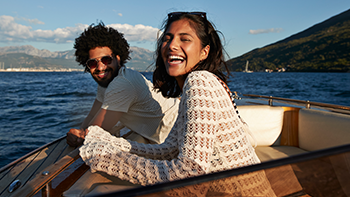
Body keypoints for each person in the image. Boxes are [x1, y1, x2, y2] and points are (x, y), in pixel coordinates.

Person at [79, 12, 275, 196]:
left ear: (204, 52)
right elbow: (169, 150)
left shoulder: (199, 82)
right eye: (167, 38)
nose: (172, 45)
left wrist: (106, 158)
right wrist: (109, 143)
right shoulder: (194, 85)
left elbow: (190, 176)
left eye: (185, 39)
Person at [66, 22, 179, 147]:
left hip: (175, 130)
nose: (100, 67)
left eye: (106, 59)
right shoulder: (106, 82)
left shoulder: (122, 84)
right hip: (157, 128)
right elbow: (93, 115)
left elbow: (95, 133)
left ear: (118, 59)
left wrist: (80, 136)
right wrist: (81, 131)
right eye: (93, 63)